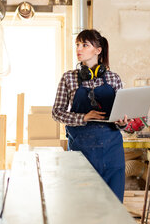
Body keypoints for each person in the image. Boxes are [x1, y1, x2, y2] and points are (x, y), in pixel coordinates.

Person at [52, 29, 129, 202]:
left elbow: (121, 116)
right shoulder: (68, 78)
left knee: (114, 204)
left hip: (112, 151)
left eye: (84, 45)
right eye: (77, 45)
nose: (79, 48)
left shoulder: (113, 78)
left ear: (98, 50)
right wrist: (83, 117)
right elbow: (56, 112)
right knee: (84, 205)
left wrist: (122, 123)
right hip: (81, 151)